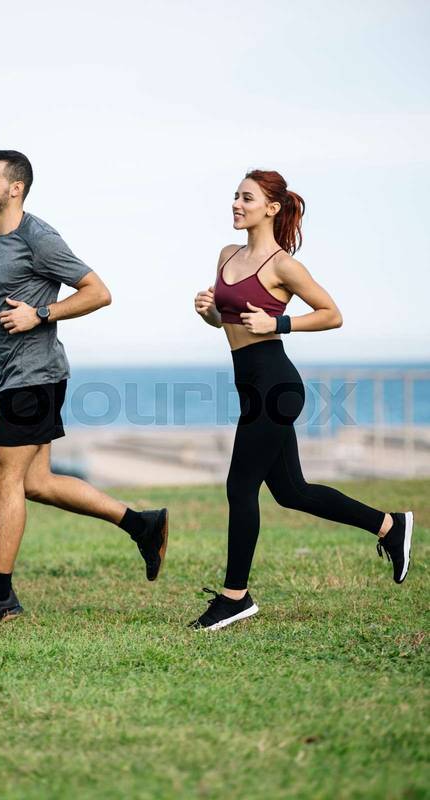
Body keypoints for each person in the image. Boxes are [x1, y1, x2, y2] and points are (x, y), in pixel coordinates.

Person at [190, 169, 414, 630]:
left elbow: (332, 314)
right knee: (292, 492)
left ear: (271, 208)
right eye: (235, 195)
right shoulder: (226, 254)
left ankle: (236, 597)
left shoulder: (282, 265)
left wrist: (280, 324)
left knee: (240, 486)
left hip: (276, 384)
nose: (236, 203)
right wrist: (210, 313)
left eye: (246, 197)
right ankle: (390, 526)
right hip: (250, 384)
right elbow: (229, 325)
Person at [0, 150, 168, 623]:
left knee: (2, 478)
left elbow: (98, 291)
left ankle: (0, 596)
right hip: (6, 375)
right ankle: (141, 525)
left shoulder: (40, 237)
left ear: (16, 188)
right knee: (37, 482)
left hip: (37, 377)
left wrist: (42, 313)